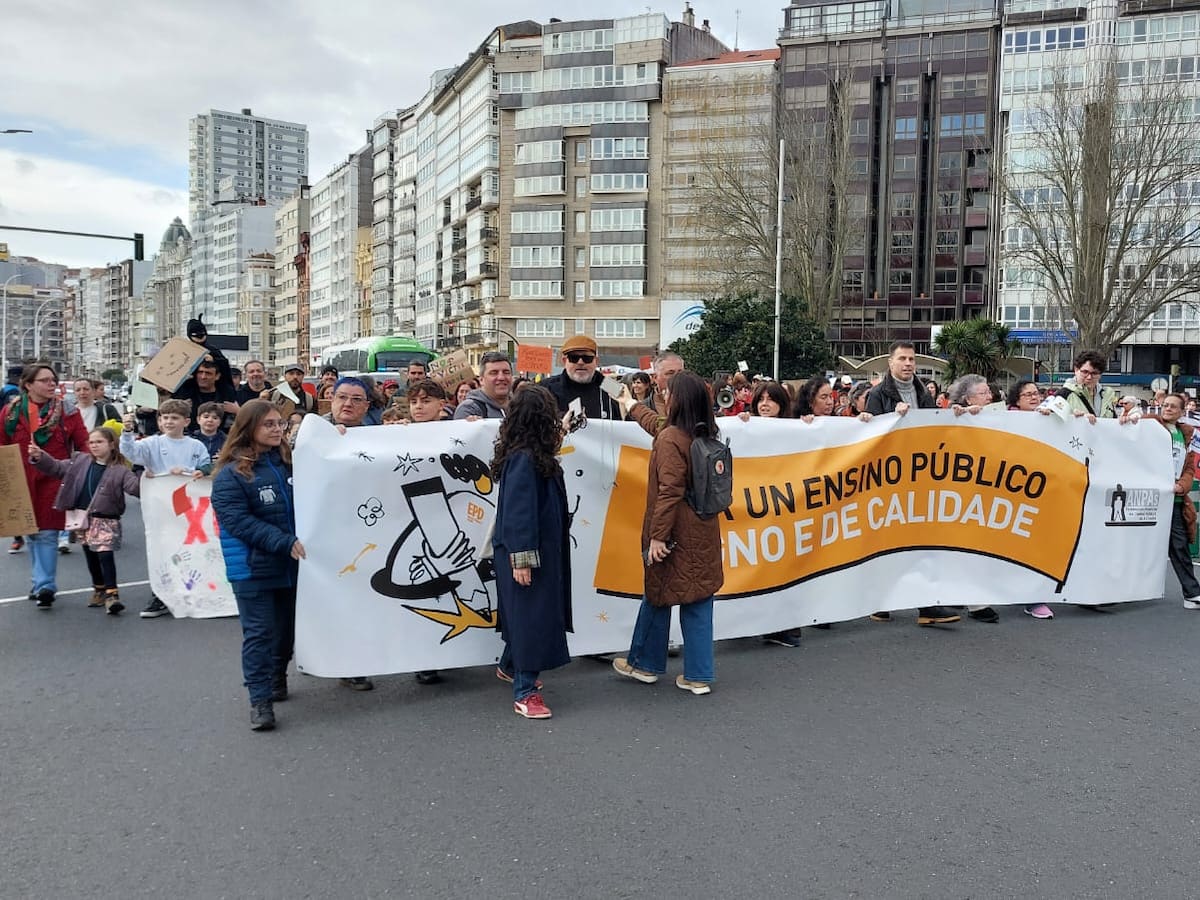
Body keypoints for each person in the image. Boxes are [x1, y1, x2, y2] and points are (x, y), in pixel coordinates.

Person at [613, 371, 724, 695]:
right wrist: (631, 404)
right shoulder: (703, 433)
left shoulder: (669, 439)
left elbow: (669, 491)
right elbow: (656, 423)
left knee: (658, 594)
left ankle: (644, 664)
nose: (663, 394)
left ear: (677, 401)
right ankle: (699, 674)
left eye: (667, 392)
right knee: (699, 598)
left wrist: (658, 537)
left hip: (674, 531)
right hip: (702, 529)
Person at [211, 401, 304, 731]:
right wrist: (283, 542)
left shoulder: (291, 463)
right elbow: (238, 522)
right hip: (253, 569)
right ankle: (260, 700)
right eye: (268, 424)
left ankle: (278, 675)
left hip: (291, 565)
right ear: (248, 428)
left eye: (280, 423)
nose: (277, 429)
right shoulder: (230, 474)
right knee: (259, 634)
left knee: (286, 631)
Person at [488, 384, 574, 719]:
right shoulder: (525, 459)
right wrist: (521, 560)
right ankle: (525, 691)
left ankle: (510, 666)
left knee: (528, 613)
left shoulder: (527, 453)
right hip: (527, 554)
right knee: (531, 617)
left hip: (537, 551)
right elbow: (518, 514)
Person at [866, 342, 959, 625]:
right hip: (891, 479)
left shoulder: (922, 392)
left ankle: (926, 606)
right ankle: (881, 599)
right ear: (891, 363)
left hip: (920, 476)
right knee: (890, 540)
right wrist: (891, 417)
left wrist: (956, 416)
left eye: (912, 359)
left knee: (922, 540)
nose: (908, 364)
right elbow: (871, 434)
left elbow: (934, 427)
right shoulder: (878, 394)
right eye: (902, 359)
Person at [0, 365, 90, 607]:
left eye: (53, 380)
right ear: (28, 385)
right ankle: (37, 580)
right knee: (31, 530)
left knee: (48, 532)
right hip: (21, 479)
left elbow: (83, 444)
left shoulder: (67, 411)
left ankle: (45, 585)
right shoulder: (10, 412)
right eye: (45, 381)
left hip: (55, 477)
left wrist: (83, 470)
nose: (52, 384)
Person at [29, 426, 140, 614]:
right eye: (92, 442)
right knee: (91, 555)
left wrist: (145, 476)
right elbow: (56, 468)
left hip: (107, 519)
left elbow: (134, 488)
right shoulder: (79, 461)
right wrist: (40, 456)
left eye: (99, 442)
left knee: (105, 553)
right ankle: (99, 588)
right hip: (82, 518)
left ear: (112, 445)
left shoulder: (120, 470)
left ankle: (112, 594)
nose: (94, 446)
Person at [120, 398, 212, 619]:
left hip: (188, 507)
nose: (169, 422)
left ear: (186, 421)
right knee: (162, 549)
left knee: (188, 549)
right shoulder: (152, 443)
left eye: (175, 418)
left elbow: (206, 465)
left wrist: (197, 471)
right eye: (165, 418)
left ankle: (191, 589)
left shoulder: (195, 445)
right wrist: (126, 431)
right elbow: (131, 452)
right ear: (159, 421)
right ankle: (160, 595)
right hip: (161, 506)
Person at [318, 377, 375, 690]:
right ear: (331, 398)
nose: (348, 404)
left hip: (367, 530)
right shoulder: (312, 431)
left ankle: (356, 663)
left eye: (356, 399)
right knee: (335, 600)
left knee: (363, 600)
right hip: (327, 531)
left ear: (366, 406)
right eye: (342, 397)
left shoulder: (377, 435)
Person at [1007, 379, 1056, 619]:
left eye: (1036, 393)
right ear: (1016, 400)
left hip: (1036, 491)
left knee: (1034, 545)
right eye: (1027, 395)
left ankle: (1034, 598)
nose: (1034, 397)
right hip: (1007, 491)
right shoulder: (1002, 420)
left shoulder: (1049, 418)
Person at [1146, 393, 1200, 610]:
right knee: (1134, 546)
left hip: (1174, 501)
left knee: (1180, 547)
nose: (1167, 409)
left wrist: (1182, 486)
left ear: (1181, 411)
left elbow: (1189, 468)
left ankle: (1192, 593)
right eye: (1165, 405)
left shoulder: (1186, 435)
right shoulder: (1149, 425)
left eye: (1172, 407)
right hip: (1147, 502)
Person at [540, 336, 624, 421]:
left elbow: (628, 421)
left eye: (587, 358)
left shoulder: (612, 387)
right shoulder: (545, 388)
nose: (580, 362)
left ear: (596, 361)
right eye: (574, 358)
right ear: (565, 361)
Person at [174, 358, 236, 434]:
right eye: (200, 372)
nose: (203, 377)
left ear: (217, 376)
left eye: (208, 373)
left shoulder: (227, 395)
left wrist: (238, 411)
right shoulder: (185, 394)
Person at [1056, 350, 1120, 421]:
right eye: (1085, 372)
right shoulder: (1064, 394)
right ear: (1076, 370)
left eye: (1094, 373)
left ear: (1100, 374)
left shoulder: (1107, 395)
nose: (1089, 377)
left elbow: (1114, 421)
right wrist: (1073, 417)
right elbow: (1050, 418)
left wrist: (1125, 420)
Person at [453, 352, 512, 419]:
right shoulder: (469, 409)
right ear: (481, 380)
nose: (501, 377)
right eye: (494, 373)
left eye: (506, 372)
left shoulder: (521, 407)